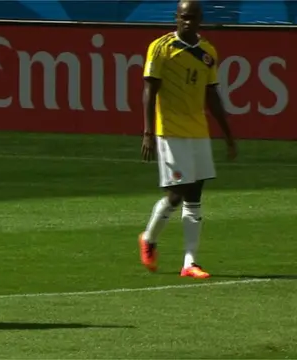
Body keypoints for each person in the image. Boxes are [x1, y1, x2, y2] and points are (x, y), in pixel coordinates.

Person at [138, 0, 237, 279]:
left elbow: (212, 95)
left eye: (193, 17)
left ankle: (189, 262)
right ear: (176, 18)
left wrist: (228, 135)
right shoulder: (161, 48)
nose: (188, 22)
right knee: (178, 191)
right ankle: (149, 238)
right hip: (170, 130)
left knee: (195, 196)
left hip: (198, 131)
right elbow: (149, 90)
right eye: (184, 17)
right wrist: (147, 131)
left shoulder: (207, 52)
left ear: (201, 19)